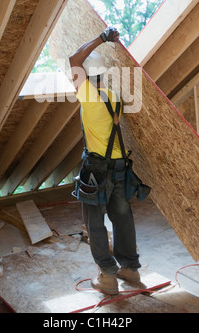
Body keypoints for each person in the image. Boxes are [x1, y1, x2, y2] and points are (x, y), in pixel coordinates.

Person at [69, 26, 142, 295]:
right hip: (120, 168)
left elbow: (73, 60)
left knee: (95, 223)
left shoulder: (88, 96)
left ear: (86, 75)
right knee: (123, 219)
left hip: (97, 171)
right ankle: (131, 269)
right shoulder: (113, 97)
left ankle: (108, 276)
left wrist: (101, 38)